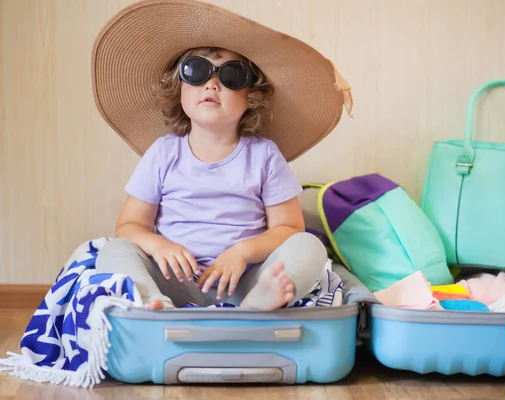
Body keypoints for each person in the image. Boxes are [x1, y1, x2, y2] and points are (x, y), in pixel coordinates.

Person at [90, 0, 353, 311]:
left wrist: (242, 252)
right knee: (114, 250)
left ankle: (258, 305)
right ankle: (152, 304)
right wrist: (159, 245)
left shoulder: (264, 156)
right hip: (173, 280)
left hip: (245, 279)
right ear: (178, 88)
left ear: (251, 97)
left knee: (309, 246)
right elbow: (130, 225)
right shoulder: (163, 153)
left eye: (232, 76)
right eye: (197, 70)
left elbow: (289, 228)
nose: (212, 84)